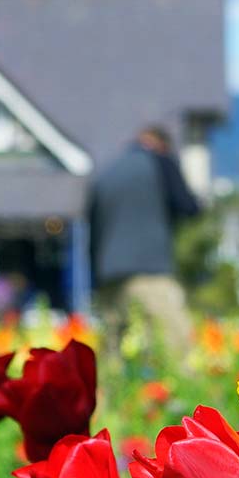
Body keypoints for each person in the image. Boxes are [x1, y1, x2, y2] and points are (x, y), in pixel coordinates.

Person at [86, 124, 200, 356]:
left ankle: (109, 391)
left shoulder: (106, 173)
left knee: (111, 349)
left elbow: (92, 230)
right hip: (149, 269)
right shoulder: (160, 161)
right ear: (162, 144)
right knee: (175, 341)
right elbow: (188, 206)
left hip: (108, 272)